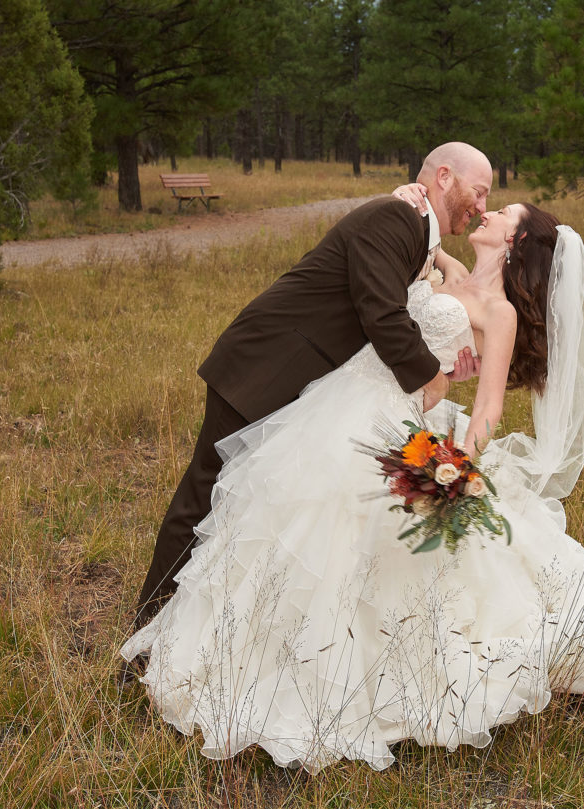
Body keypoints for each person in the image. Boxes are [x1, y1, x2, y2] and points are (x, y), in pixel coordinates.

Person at [119, 194, 584, 772]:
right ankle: (255, 650)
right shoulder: (450, 269)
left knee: (363, 542)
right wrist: (409, 202)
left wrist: (452, 466)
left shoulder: (500, 312)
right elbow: (400, 256)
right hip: (338, 402)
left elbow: (487, 409)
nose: (489, 211)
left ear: (517, 240)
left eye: (504, 213)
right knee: (285, 517)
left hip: (401, 427)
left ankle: (356, 678)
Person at [126, 143, 495, 662]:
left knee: (247, 504)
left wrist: (443, 264)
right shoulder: (395, 217)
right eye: (479, 191)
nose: (482, 206)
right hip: (263, 369)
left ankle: (213, 634)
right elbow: (383, 315)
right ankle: (146, 636)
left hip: (305, 385)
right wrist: (431, 378)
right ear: (444, 177)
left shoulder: (415, 228)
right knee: (203, 498)